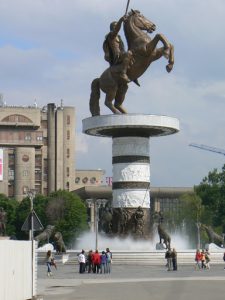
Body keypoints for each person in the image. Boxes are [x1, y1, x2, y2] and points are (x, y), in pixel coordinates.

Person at [103, 15, 137, 85]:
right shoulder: (111, 36)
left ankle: (133, 75)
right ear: (112, 28)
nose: (116, 27)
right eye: (115, 26)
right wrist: (121, 20)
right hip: (116, 56)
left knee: (133, 55)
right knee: (129, 53)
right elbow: (117, 30)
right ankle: (123, 73)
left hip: (121, 54)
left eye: (117, 25)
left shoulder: (118, 37)